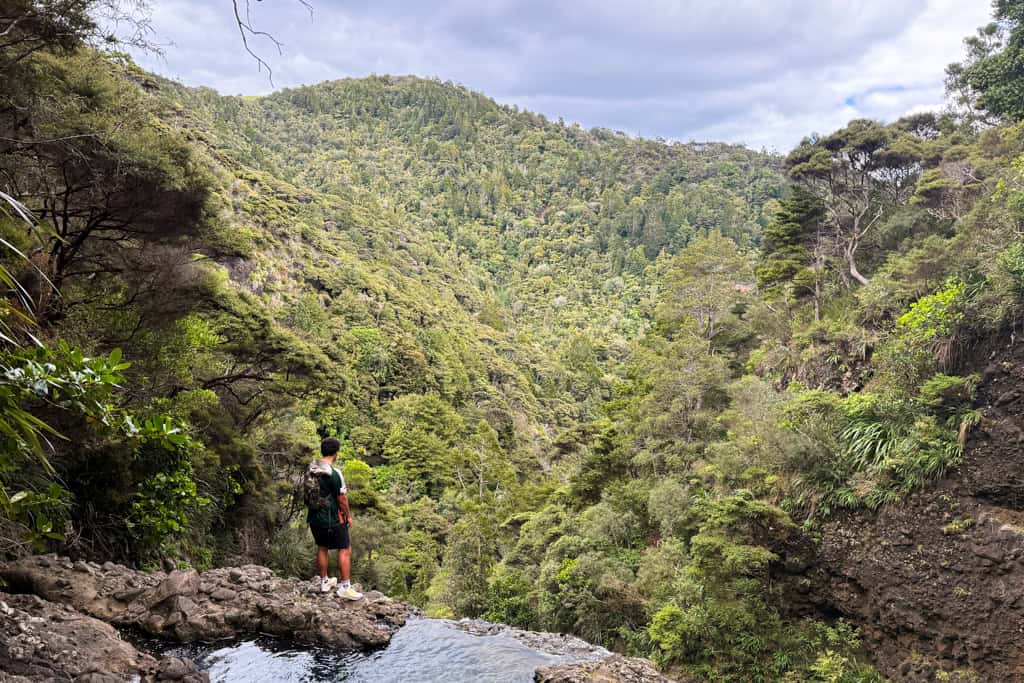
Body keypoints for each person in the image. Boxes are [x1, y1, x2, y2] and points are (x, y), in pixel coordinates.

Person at [304, 437, 363, 600]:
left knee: (322, 547)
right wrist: (348, 516)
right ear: (336, 453)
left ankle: (324, 582)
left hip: (314, 517)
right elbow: (342, 499)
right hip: (333, 519)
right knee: (345, 549)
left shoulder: (310, 468)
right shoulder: (335, 473)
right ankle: (345, 587)